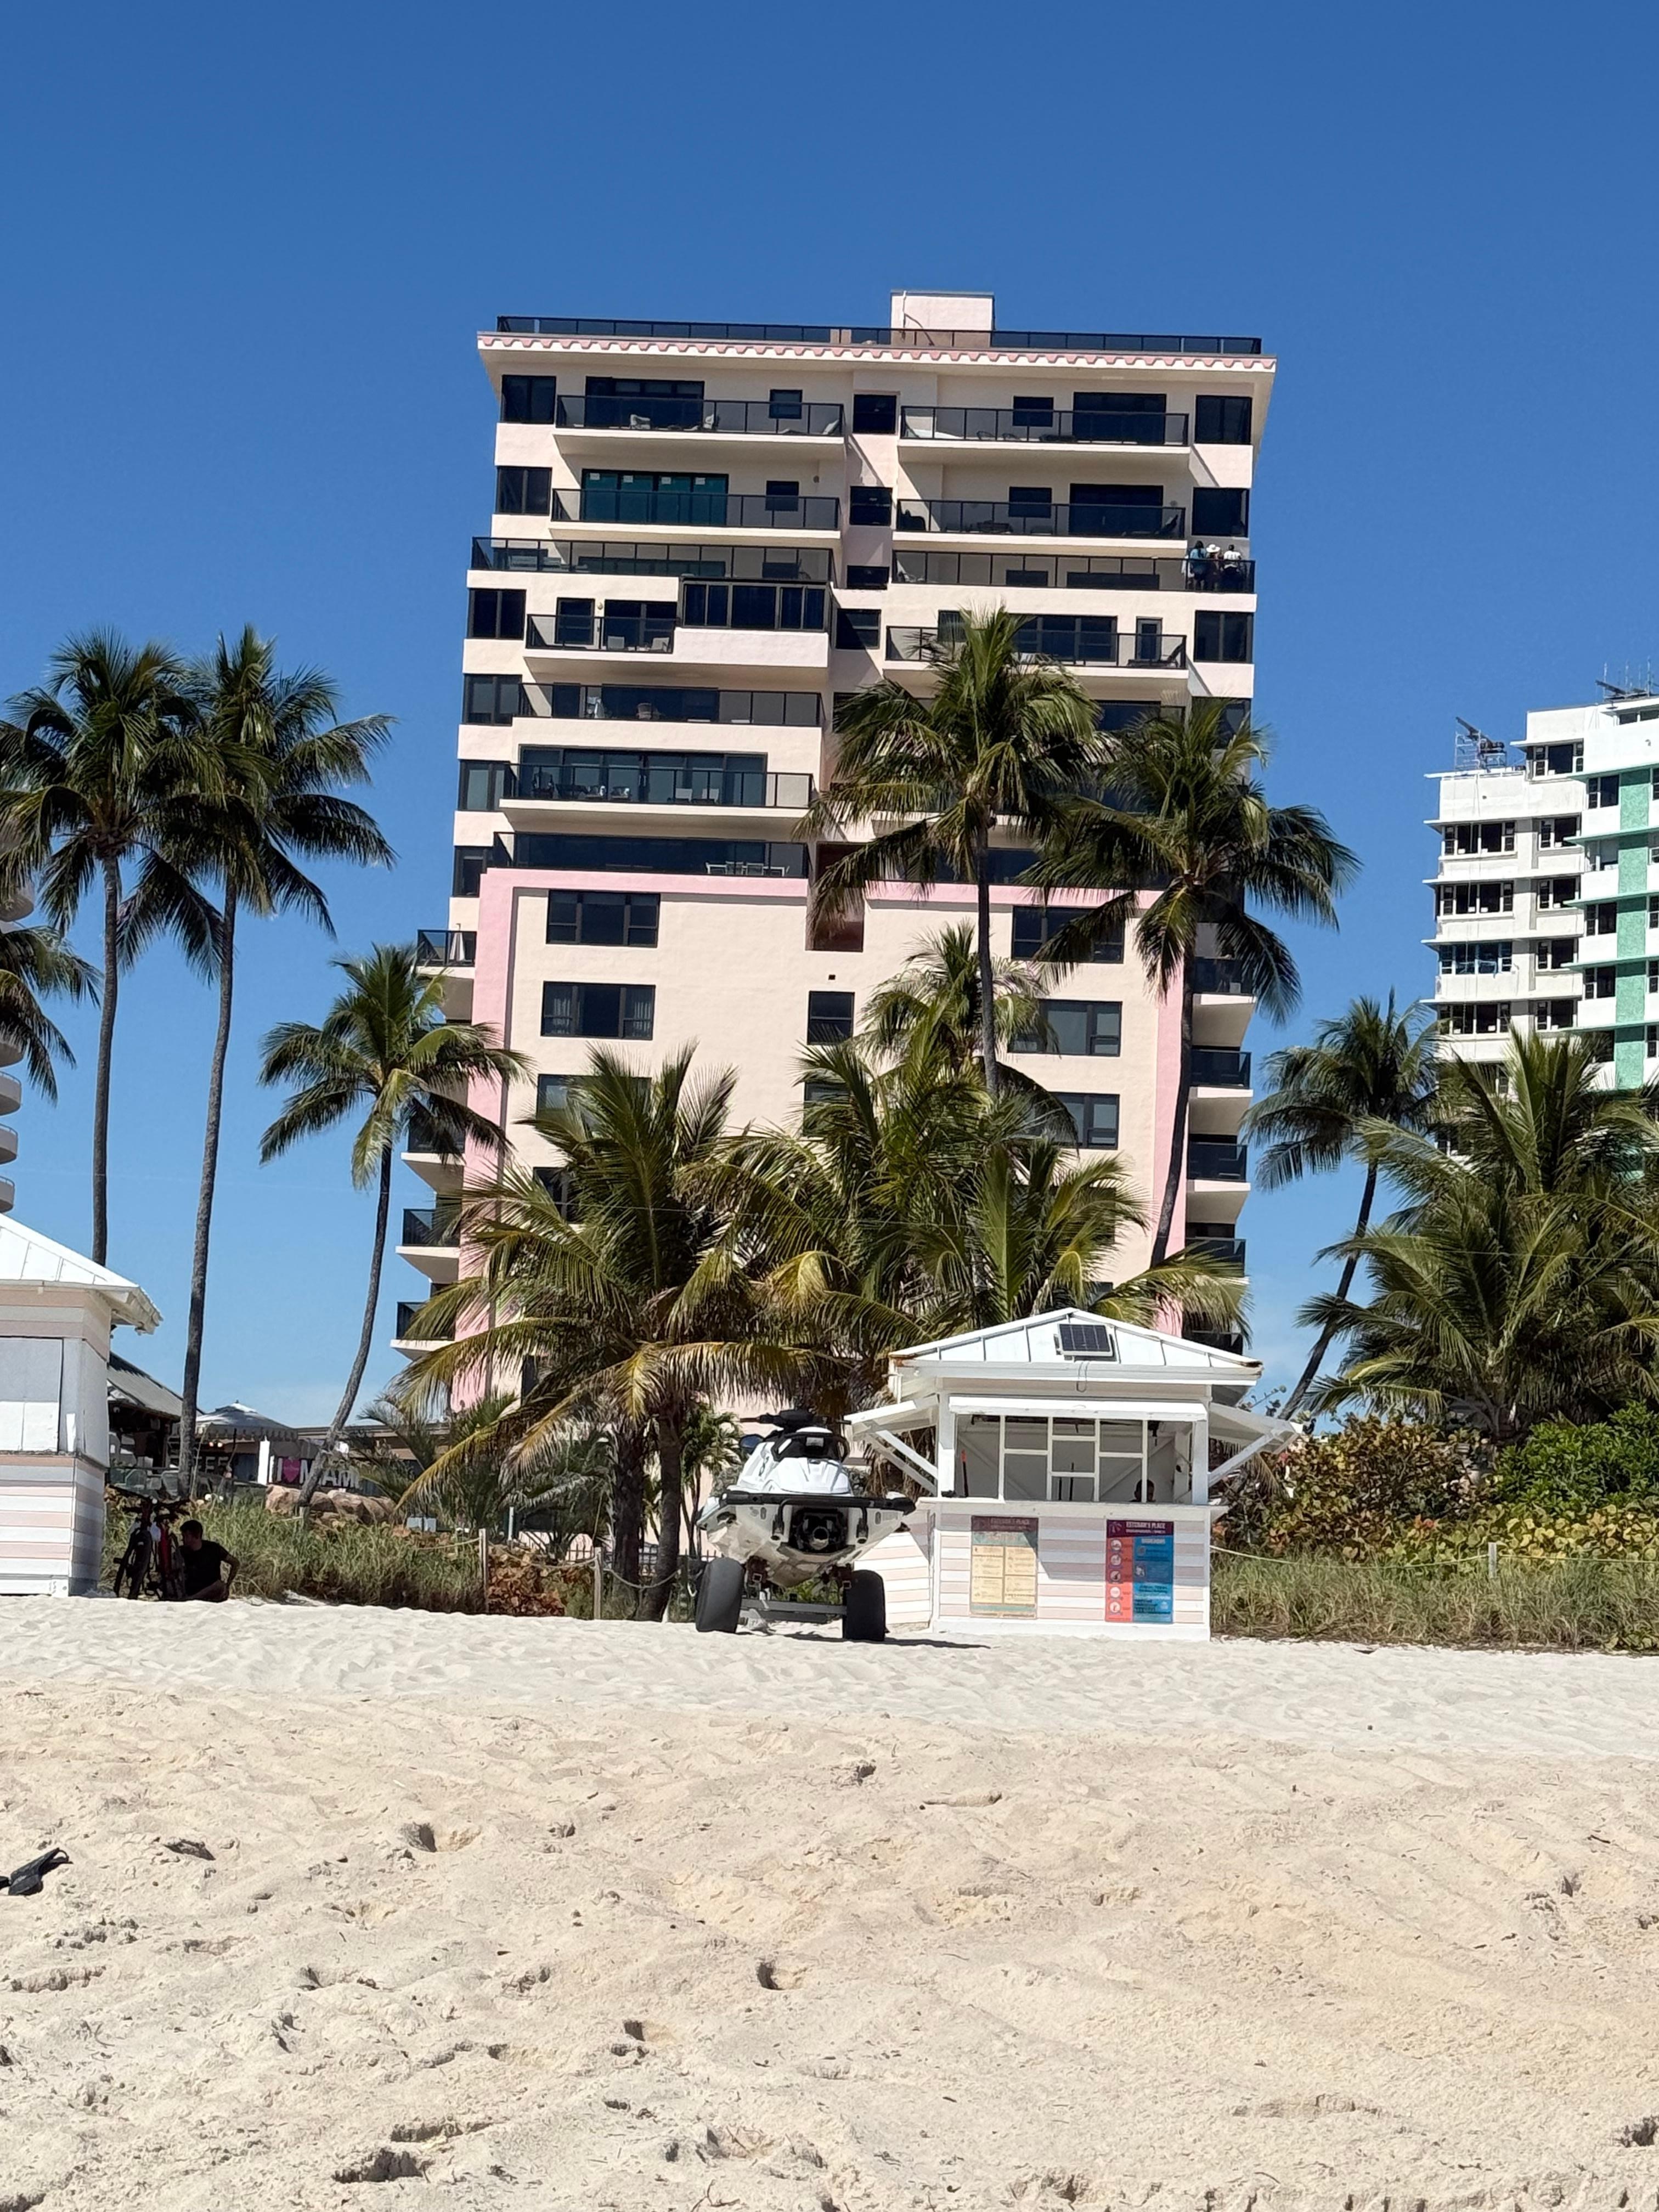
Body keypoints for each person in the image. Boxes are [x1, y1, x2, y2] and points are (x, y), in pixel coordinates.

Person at [177, 1520, 238, 1603]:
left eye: (186, 1536)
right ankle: (191, 1598)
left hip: (212, 1590)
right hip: (192, 1590)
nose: (183, 1539)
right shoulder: (182, 1552)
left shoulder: (214, 1549)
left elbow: (235, 1563)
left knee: (219, 1586)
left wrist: (228, 1584)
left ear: (197, 1535)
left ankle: (191, 1599)